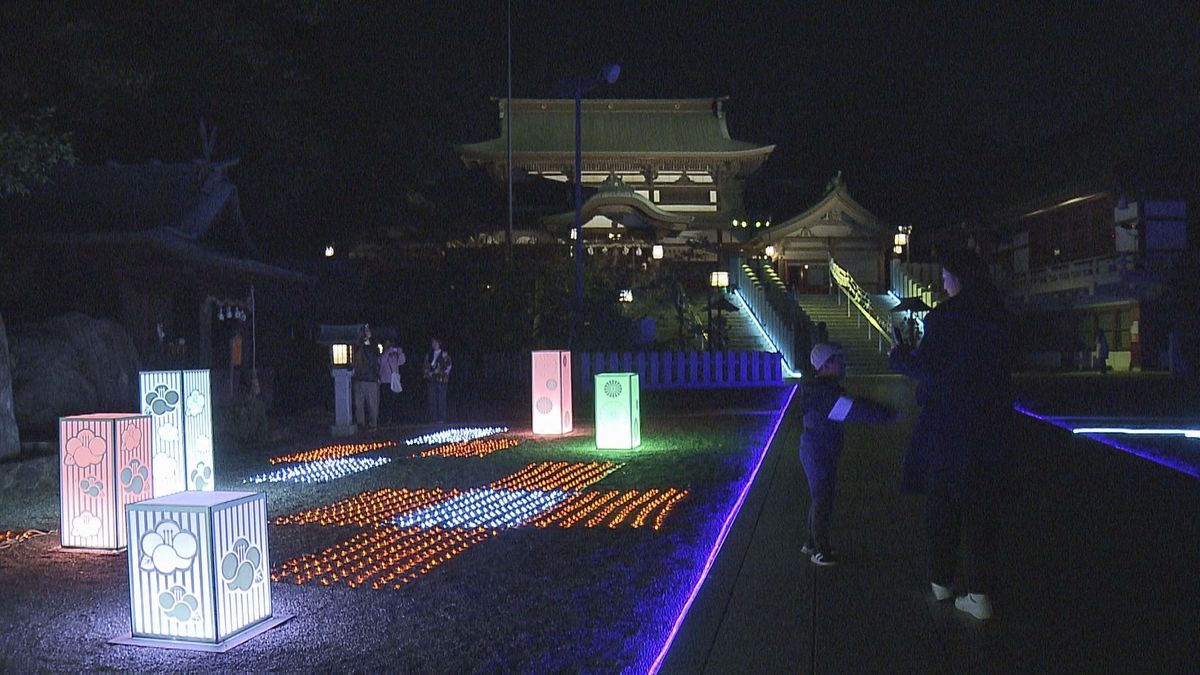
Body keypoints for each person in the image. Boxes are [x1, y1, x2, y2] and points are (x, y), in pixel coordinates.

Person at [889, 247, 1014, 620]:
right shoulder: (998, 316)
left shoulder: (946, 318)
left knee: (942, 505)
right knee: (982, 509)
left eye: (945, 276)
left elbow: (931, 370)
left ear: (959, 277)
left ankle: (941, 580)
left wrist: (900, 358)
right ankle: (980, 592)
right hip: (991, 425)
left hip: (948, 427)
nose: (942, 282)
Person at [799, 343, 893, 566]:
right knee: (823, 498)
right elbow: (854, 410)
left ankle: (812, 543)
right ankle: (819, 550)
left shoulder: (822, 389)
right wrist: (886, 415)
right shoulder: (824, 394)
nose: (843, 363)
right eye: (838, 360)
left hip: (820, 446)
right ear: (826, 365)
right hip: (819, 448)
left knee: (821, 496)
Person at [351, 326, 381, 430]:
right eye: (365, 331)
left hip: (371, 379)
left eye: (368, 330)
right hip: (359, 378)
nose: (366, 333)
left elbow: (375, 358)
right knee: (359, 403)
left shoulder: (374, 345)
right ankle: (361, 423)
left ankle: (373, 424)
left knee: (372, 403)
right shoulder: (357, 345)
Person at [422, 336, 452, 423]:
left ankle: (442, 417)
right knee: (432, 398)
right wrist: (428, 372)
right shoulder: (429, 355)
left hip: (441, 379)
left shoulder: (444, 354)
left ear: (439, 343)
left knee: (441, 398)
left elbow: (449, 366)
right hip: (431, 379)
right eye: (432, 342)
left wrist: (442, 372)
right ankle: (433, 418)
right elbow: (425, 365)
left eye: (435, 342)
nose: (433, 344)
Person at [379, 340, 406, 425]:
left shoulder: (395, 357)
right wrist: (387, 352)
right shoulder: (382, 356)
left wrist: (400, 352)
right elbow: (381, 363)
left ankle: (394, 418)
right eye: (387, 345)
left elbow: (402, 361)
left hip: (395, 382)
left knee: (394, 401)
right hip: (385, 382)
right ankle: (387, 418)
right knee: (386, 402)